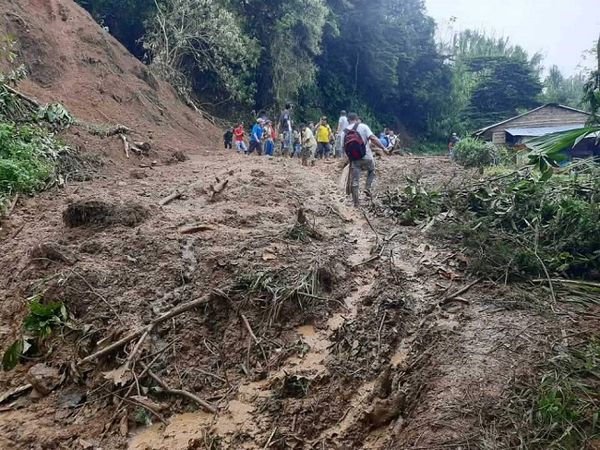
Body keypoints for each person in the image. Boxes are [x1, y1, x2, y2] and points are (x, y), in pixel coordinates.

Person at [343, 112, 386, 207]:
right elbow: (373, 138)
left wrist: (349, 158)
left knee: (355, 181)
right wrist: (383, 148)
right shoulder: (363, 126)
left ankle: (356, 203)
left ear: (348, 120)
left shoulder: (345, 131)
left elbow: (344, 147)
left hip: (354, 159)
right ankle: (367, 187)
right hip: (367, 157)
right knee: (372, 170)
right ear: (357, 118)